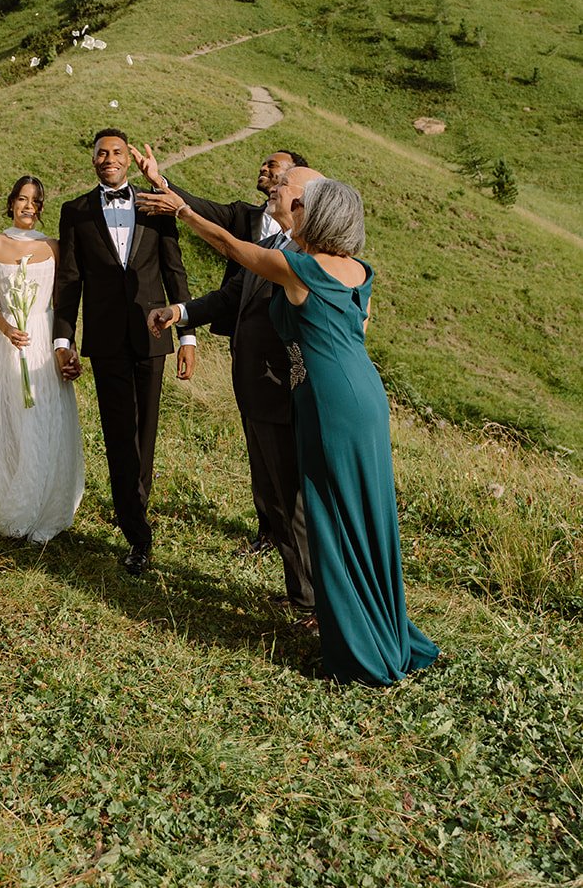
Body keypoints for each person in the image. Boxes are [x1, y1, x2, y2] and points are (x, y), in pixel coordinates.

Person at [142, 176, 438, 686]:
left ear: (322, 216)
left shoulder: (298, 268)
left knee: (330, 514)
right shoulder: (359, 270)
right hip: (364, 391)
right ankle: (379, 623)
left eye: (306, 206)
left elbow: (231, 246)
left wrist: (184, 214)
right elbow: (355, 329)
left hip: (327, 398)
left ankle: (358, 646)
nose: (295, 208)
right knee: (364, 511)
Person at [142, 159, 323, 614]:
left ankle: (313, 606)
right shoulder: (271, 241)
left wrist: (181, 209)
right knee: (273, 497)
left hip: (280, 388)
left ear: (304, 202)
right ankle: (301, 594)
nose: (274, 188)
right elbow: (228, 297)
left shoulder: (307, 257)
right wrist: (179, 313)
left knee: (292, 501)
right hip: (254, 386)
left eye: (283, 184)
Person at [53, 128, 195, 575]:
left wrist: (188, 334)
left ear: (129, 160)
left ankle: (138, 505)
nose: (108, 158)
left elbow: (174, 269)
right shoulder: (74, 212)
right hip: (106, 340)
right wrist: (63, 339)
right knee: (118, 436)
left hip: (154, 336)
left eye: (116, 152)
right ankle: (137, 535)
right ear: (92, 160)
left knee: (144, 433)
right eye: (100, 153)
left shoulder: (156, 204)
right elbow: (70, 281)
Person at [0, 176, 84, 541]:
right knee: (6, 415)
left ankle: (38, 497)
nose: (29, 206)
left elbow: (63, 302)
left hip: (42, 337)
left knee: (42, 416)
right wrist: (7, 328)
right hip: (6, 339)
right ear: (11, 202)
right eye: (23, 199)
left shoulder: (54, 247)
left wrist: (64, 345)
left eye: (36, 201)